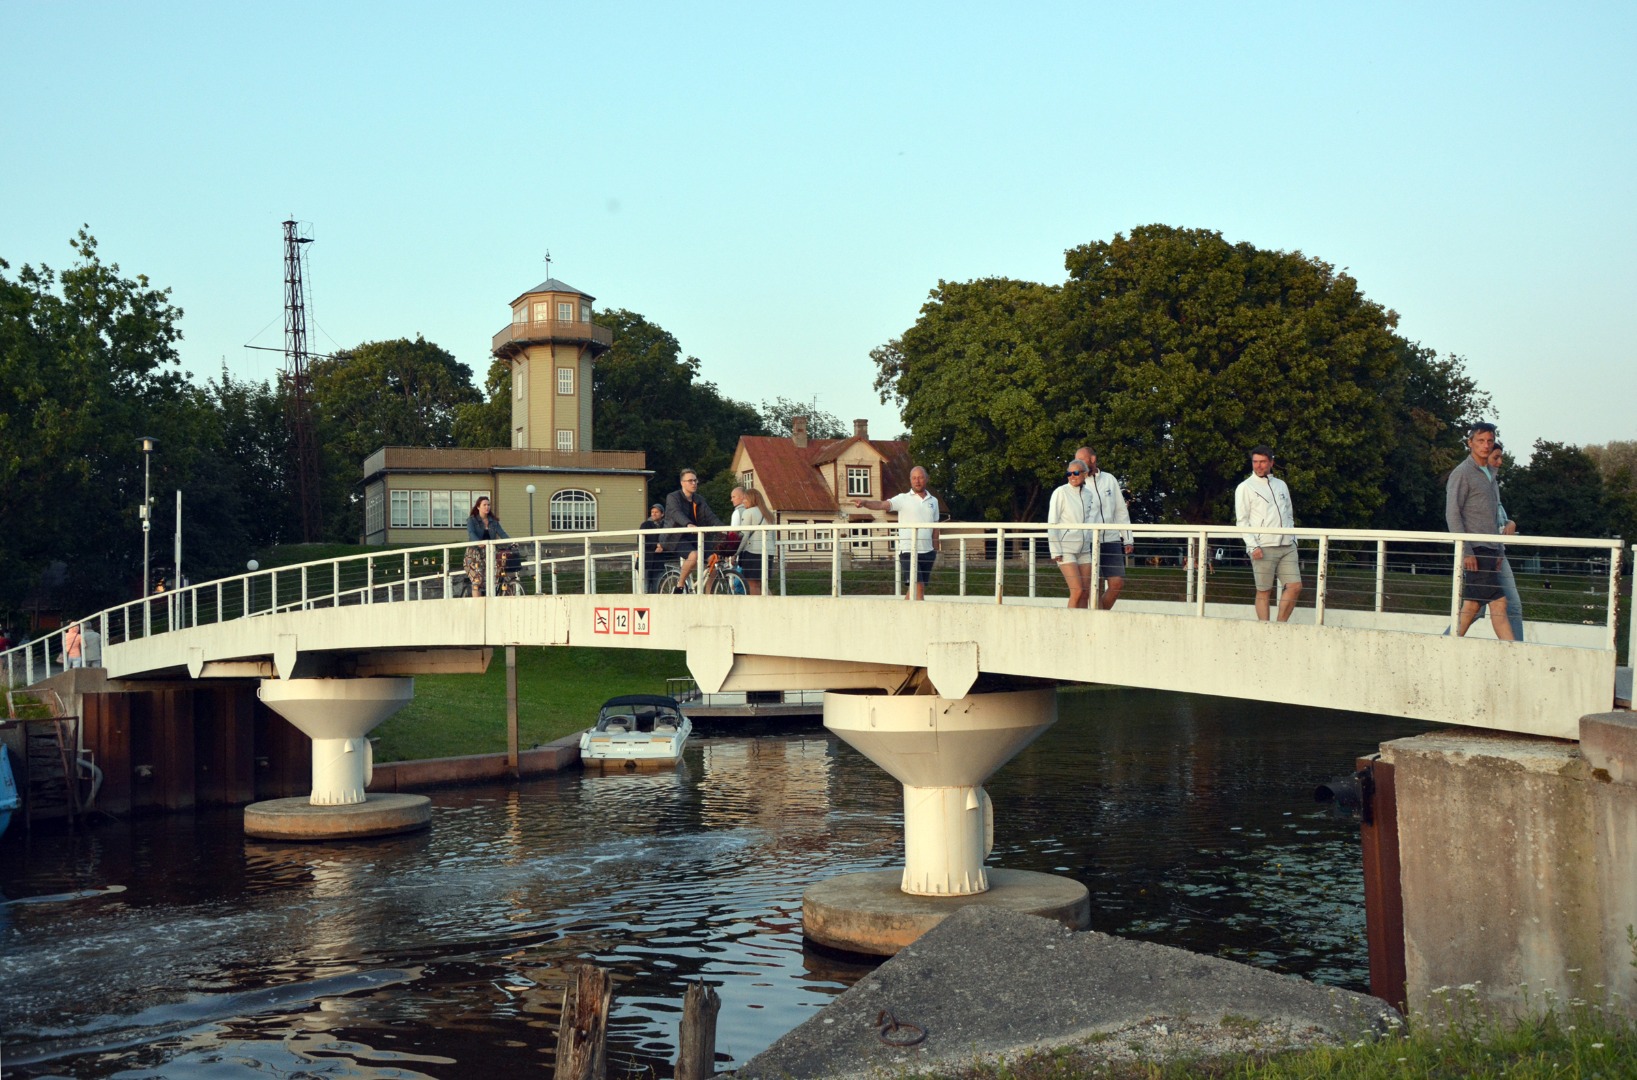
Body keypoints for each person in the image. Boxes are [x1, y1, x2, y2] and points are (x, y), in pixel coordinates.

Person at [1445, 422, 1515, 640]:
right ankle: (1517, 658)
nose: (1486, 445)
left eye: (1490, 441)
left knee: (1473, 607)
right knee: (1498, 604)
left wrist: (1499, 551)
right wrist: (1466, 550)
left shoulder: (1491, 474)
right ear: (1470, 443)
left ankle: (1443, 647)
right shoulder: (1462, 473)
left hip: (1490, 550)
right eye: (1481, 441)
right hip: (1476, 550)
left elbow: (1494, 519)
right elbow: (1452, 513)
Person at [849, 465, 940, 601]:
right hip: (908, 550)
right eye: (914, 478)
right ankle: (920, 618)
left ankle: (902, 616)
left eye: (920, 477)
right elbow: (882, 505)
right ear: (910, 480)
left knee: (915, 588)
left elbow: (935, 526)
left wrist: (935, 548)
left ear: (926, 479)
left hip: (927, 551)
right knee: (918, 585)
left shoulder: (934, 501)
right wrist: (865, 502)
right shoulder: (902, 499)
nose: (917, 481)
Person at [1234, 446, 1302, 622]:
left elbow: (1289, 513)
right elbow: (1242, 521)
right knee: (1264, 590)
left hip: (1287, 545)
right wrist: (1253, 545)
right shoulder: (1245, 487)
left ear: (1271, 462)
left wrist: (1293, 539)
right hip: (1262, 547)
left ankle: (1279, 626)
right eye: (1255, 462)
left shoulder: (1281, 485)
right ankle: (1265, 629)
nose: (1258, 466)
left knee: (1295, 586)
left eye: (1263, 462)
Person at [1073, 447, 1134, 609]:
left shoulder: (1109, 479)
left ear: (1093, 459)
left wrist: (1127, 538)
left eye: (1082, 460)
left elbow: (1120, 510)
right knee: (1094, 586)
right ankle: (1097, 623)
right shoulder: (1076, 482)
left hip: (1111, 540)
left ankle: (1099, 617)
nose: (1078, 464)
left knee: (1116, 583)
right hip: (1088, 542)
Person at [1489, 441, 1526, 641]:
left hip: (1497, 553)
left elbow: (1501, 519)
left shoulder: (1493, 484)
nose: (1500, 462)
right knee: (1473, 609)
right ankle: (1518, 655)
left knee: (1512, 606)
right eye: (1496, 457)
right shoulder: (1476, 481)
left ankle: (1517, 654)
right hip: (1483, 554)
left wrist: (1511, 522)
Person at [1047, 458, 1096, 608]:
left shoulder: (1088, 494)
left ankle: (1082, 627)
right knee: (1077, 590)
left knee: (1086, 592)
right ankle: (1068, 628)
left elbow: (1089, 519)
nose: (1072, 476)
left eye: (1075, 473)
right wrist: (1055, 550)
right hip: (1065, 548)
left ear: (1085, 474)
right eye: (1069, 473)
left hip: (1084, 549)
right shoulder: (1060, 492)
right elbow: (1052, 521)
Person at [663, 468, 722, 590]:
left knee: (714, 561)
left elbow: (710, 516)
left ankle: (710, 594)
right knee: (694, 555)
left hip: (696, 536)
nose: (694, 483)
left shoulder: (699, 499)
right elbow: (675, 513)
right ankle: (679, 585)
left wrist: (724, 528)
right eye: (690, 481)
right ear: (682, 483)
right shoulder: (673, 497)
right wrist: (688, 524)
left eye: (695, 481)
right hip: (676, 537)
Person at [464, 496, 511, 598]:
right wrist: (478, 542)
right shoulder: (472, 520)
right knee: (477, 580)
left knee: (494, 577)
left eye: (488, 505)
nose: (487, 507)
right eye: (484, 505)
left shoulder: (493, 521)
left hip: (488, 554)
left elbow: (502, 533)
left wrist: (511, 542)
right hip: (474, 554)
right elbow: (471, 533)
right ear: (478, 507)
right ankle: (477, 606)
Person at [733, 488, 768, 595]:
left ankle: (756, 610)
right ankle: (773, 609)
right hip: (767, 553)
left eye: (745, 499)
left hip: (753, 552)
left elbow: (744, 536)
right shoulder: (768, 514)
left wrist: (735, 553)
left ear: (751, 499)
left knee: (751, 584)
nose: (743, 502)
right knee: (763, 586)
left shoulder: (748, 512)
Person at [637, 503, 670, 593]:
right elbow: (640, 541)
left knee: (657, 587)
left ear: (662, 514)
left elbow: (670, 539)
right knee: (645, 588)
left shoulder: (665, 526)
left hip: (658, 562)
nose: (654, 514)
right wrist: (656, 545)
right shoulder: (645, 525)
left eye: (656, 512)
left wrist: (663, 546)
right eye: (652, 512)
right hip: (646, 561)